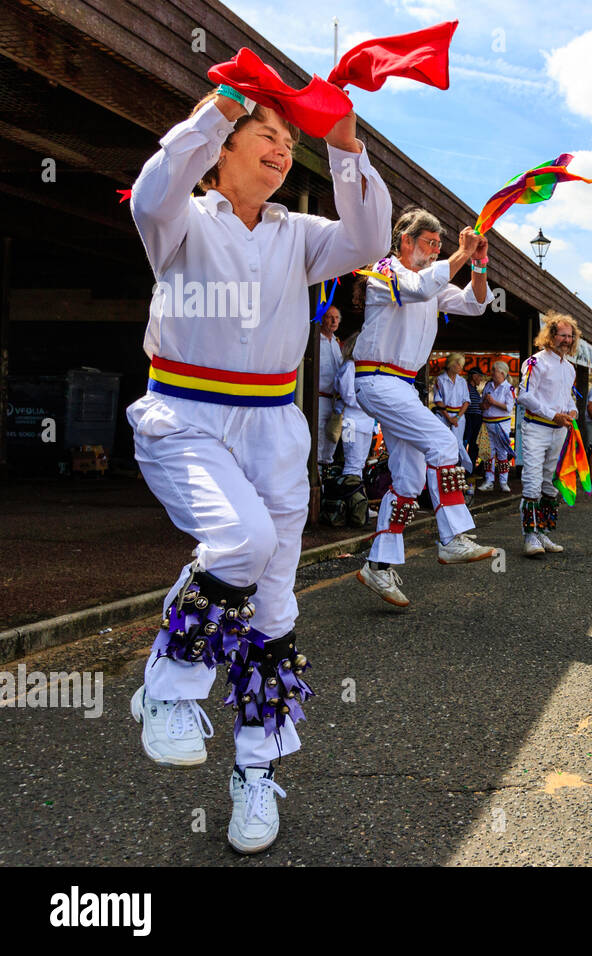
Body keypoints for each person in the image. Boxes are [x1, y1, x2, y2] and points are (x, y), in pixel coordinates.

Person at [126, 84, 391, 854]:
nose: (281, 150)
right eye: (264, 133)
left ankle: (255, 773)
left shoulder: (299, 234)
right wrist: (213, 110)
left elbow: (370, 235)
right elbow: (154, 188)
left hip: (276, 427)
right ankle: (170, 679)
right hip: (187, 417)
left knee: (273, 615)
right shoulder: (176, 220)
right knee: (240, 542)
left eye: (288, 139)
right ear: (222, 151)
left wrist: (343, 142)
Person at [353, 210, 498, 609]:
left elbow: (475, 304)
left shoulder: (428, 281)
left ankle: (378, 566)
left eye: (439, 244)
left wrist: (479, 261)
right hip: (378, 379)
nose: (436, 250)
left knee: (409, 478)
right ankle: (451, 537)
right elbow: (418, 288)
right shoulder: (384, 271)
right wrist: (460, 255)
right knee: (441, 441)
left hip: (400, 386)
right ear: (405, 240)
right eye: (430, 243)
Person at [517, 312, 580, 556]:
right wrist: (552, 414)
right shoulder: (535, 362)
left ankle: (543, 532)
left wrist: (572, 410)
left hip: (560, 432)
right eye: (562, 335)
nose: (566, 339)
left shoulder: (570, 368)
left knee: (551, 484)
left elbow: (568, 397)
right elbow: (523, 395)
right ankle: (530, 536)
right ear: (550, 335)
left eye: (570, 336)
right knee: (532, 482)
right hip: (536, 429)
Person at [330, 332, 378, 527]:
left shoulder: (360, 367)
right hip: (352, 421)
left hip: (365, 422)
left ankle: (358, 504)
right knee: (352, 464)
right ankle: (353, 505)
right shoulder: (349, 367)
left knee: (359, 464)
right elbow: (349, 396)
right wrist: (370, 402)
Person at [477, 360, 516, 492]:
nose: (492, 373)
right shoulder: (488, 385)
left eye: (494, 371)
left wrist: (493, 402)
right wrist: (485, 405)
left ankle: (503, 482)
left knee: (502, 453)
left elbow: (509, 407)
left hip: (501, 424)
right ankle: (489, 481)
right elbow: (481, 405)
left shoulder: (508, 388)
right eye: (492, 370)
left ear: (502, 373)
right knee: (488, 453)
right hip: (487, 423)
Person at [317, 305, 344, 470]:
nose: (334, 321)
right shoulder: (314, 340)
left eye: (336, 318)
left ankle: (326, 478)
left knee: (331, 440)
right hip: (318, 398)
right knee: (318, 437)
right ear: (322, 319)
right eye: (330, 317)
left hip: (334, 400)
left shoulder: (335, 342)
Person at [434, 353, 471, 452]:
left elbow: (466, 401)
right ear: (451, 364)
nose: (460, 367)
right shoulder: (440, 380)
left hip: (459, 418)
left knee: (458, 444)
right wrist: (449, 418)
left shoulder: (462, 381)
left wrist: (457, 417)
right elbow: (438, 401)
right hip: (443, 416)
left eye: (461, 365)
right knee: (443, 443)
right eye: (458, 364)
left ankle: (457, 466)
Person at [464, 367, 484, 466]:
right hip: (470, 419)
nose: (481, 379)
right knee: (469, 443)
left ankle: (470, 468)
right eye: (480, 376)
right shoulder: (466, 388)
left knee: (474, 445)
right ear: (474, 376)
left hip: (476, 419)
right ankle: (465, 468)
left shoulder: (474, 390)